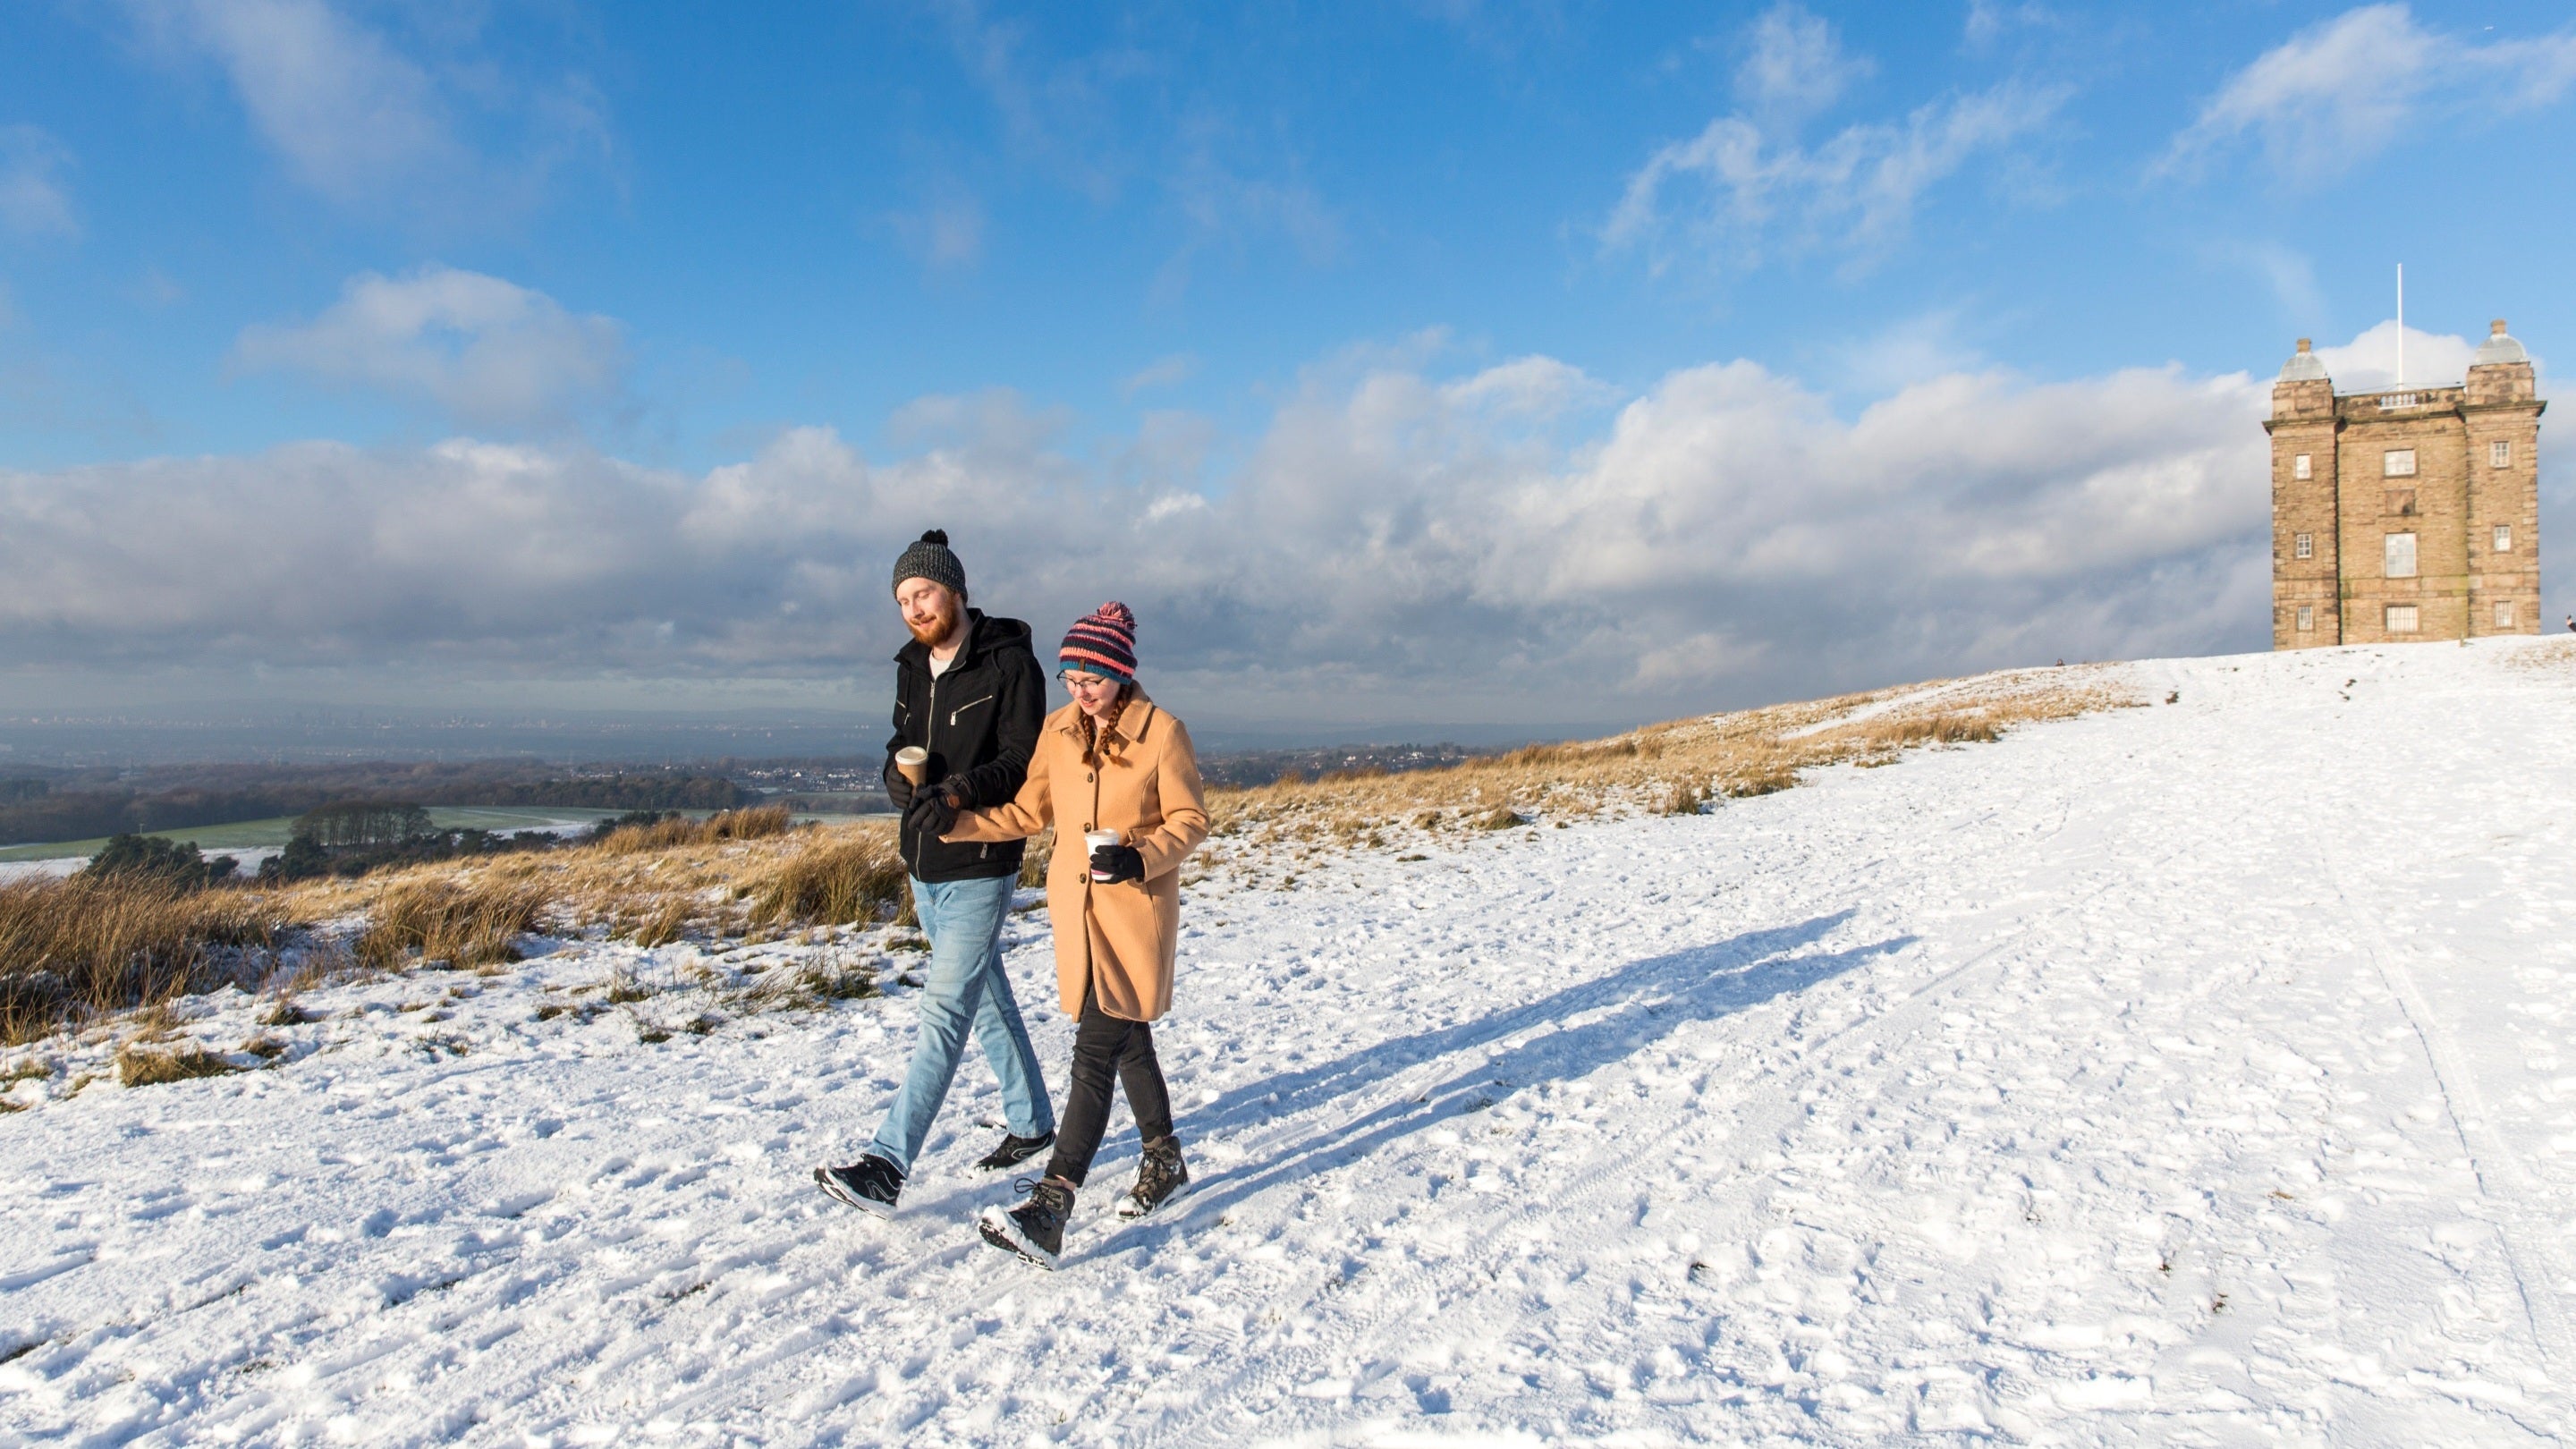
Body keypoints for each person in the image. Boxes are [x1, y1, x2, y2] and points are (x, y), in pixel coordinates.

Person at [911, 601, 1209, 1267]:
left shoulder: (1163, 733)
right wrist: (955, 822)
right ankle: (1165, 1159)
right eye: (1071, 679)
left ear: (1121, 674)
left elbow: (1192, 819)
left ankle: (1052, 1204)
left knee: (1093, 1054)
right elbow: (1026, 810)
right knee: (1128, 1038)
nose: (1080, 692)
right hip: (1076, 922)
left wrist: (1142, 854)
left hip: (1133, 918)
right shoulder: (1058, 731)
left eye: (1092, 681)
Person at [815, 530, 1056, 1217]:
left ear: (955, 590)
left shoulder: (1010, 662)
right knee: (982, 997)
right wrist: (896, 774)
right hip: (922, 863)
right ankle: (1033, 1119)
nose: (914, 609)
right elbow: (900, 740)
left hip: (980, 859)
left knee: (945, 1011)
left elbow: (1021, 760)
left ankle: (887, 1166)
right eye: (902, 600)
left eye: (923, 593)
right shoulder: (909, 665)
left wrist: (957, 794)